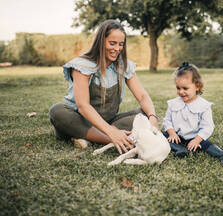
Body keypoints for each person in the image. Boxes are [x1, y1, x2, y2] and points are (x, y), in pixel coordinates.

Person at [49, 19, 158, 154]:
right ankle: (110, 139)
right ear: (101, 41)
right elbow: (83, 106)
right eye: (112, 43)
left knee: (143, 114)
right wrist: (111, 133)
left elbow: (142, 96)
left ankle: (90, 138)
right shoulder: (82, 66)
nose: (117, 49)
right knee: (57, 111)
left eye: (121, 44)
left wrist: (153, 117)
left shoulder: (123, 65)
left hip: (109, 121)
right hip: (80, 120)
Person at [162, 62, 223, 165]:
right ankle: (180, 150)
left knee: (206, 145)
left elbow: (207, 126)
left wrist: (197, 140)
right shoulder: (173, 104)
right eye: (178, 88)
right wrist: (172, 133)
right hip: (176, 137)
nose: (181, 92)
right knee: (161, 136)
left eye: (185, 88)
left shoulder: (203, 106)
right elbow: (167, 120)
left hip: (195, 137)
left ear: (197, 86)